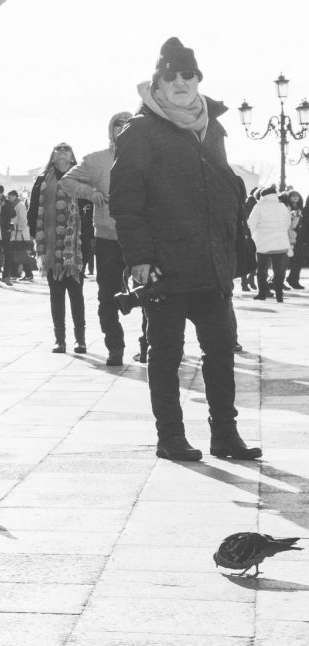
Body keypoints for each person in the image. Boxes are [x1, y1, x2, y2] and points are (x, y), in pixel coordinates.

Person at [110, 36, 257, 463]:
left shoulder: (211, 126)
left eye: (187, 74)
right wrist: (139, 259)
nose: (179, 82)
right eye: (170, 75)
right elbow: (126, 201)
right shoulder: (141, 132)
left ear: (198, 79)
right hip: (165, 268)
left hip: (211, 264)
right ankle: (170, 437)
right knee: (166, 355)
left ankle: (224, 436)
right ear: (158, 82)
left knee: (220, 353)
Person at [61, 112, 134, 366]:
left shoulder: (148, 156)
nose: (122, 128)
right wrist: (90, 193)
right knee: (107, 295)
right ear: (110, 130)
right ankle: (115, 346)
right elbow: (67, 180)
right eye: (118, 125)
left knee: (153, 292)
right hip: (107, 236)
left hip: (142, 235)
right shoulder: (96, 160)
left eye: (128, 124)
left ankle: (150, 344)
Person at [28, 144, 87, 355]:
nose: (62, 152)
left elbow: (87, 213)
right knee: (56, 293)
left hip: (75, 246)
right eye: (58, 149)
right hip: (50, 247)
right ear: (52, 156)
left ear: (72, 157)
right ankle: (59, 339)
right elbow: (33, 211)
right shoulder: (42, 181)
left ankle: (80, 339)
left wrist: (86, 243)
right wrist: (39, 238)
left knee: (76, 293)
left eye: (67, 149)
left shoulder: (81, 179)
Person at [247, 185, 292, 302]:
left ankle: (262, 293)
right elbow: (288, 224)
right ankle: (279, 296)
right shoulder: (282, 206)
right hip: (280, 244)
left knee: (261, 269)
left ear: (263, 195)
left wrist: (252, 237)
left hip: (263, 244)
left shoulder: (259, 206)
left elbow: (251, 223)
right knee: (279, 271)